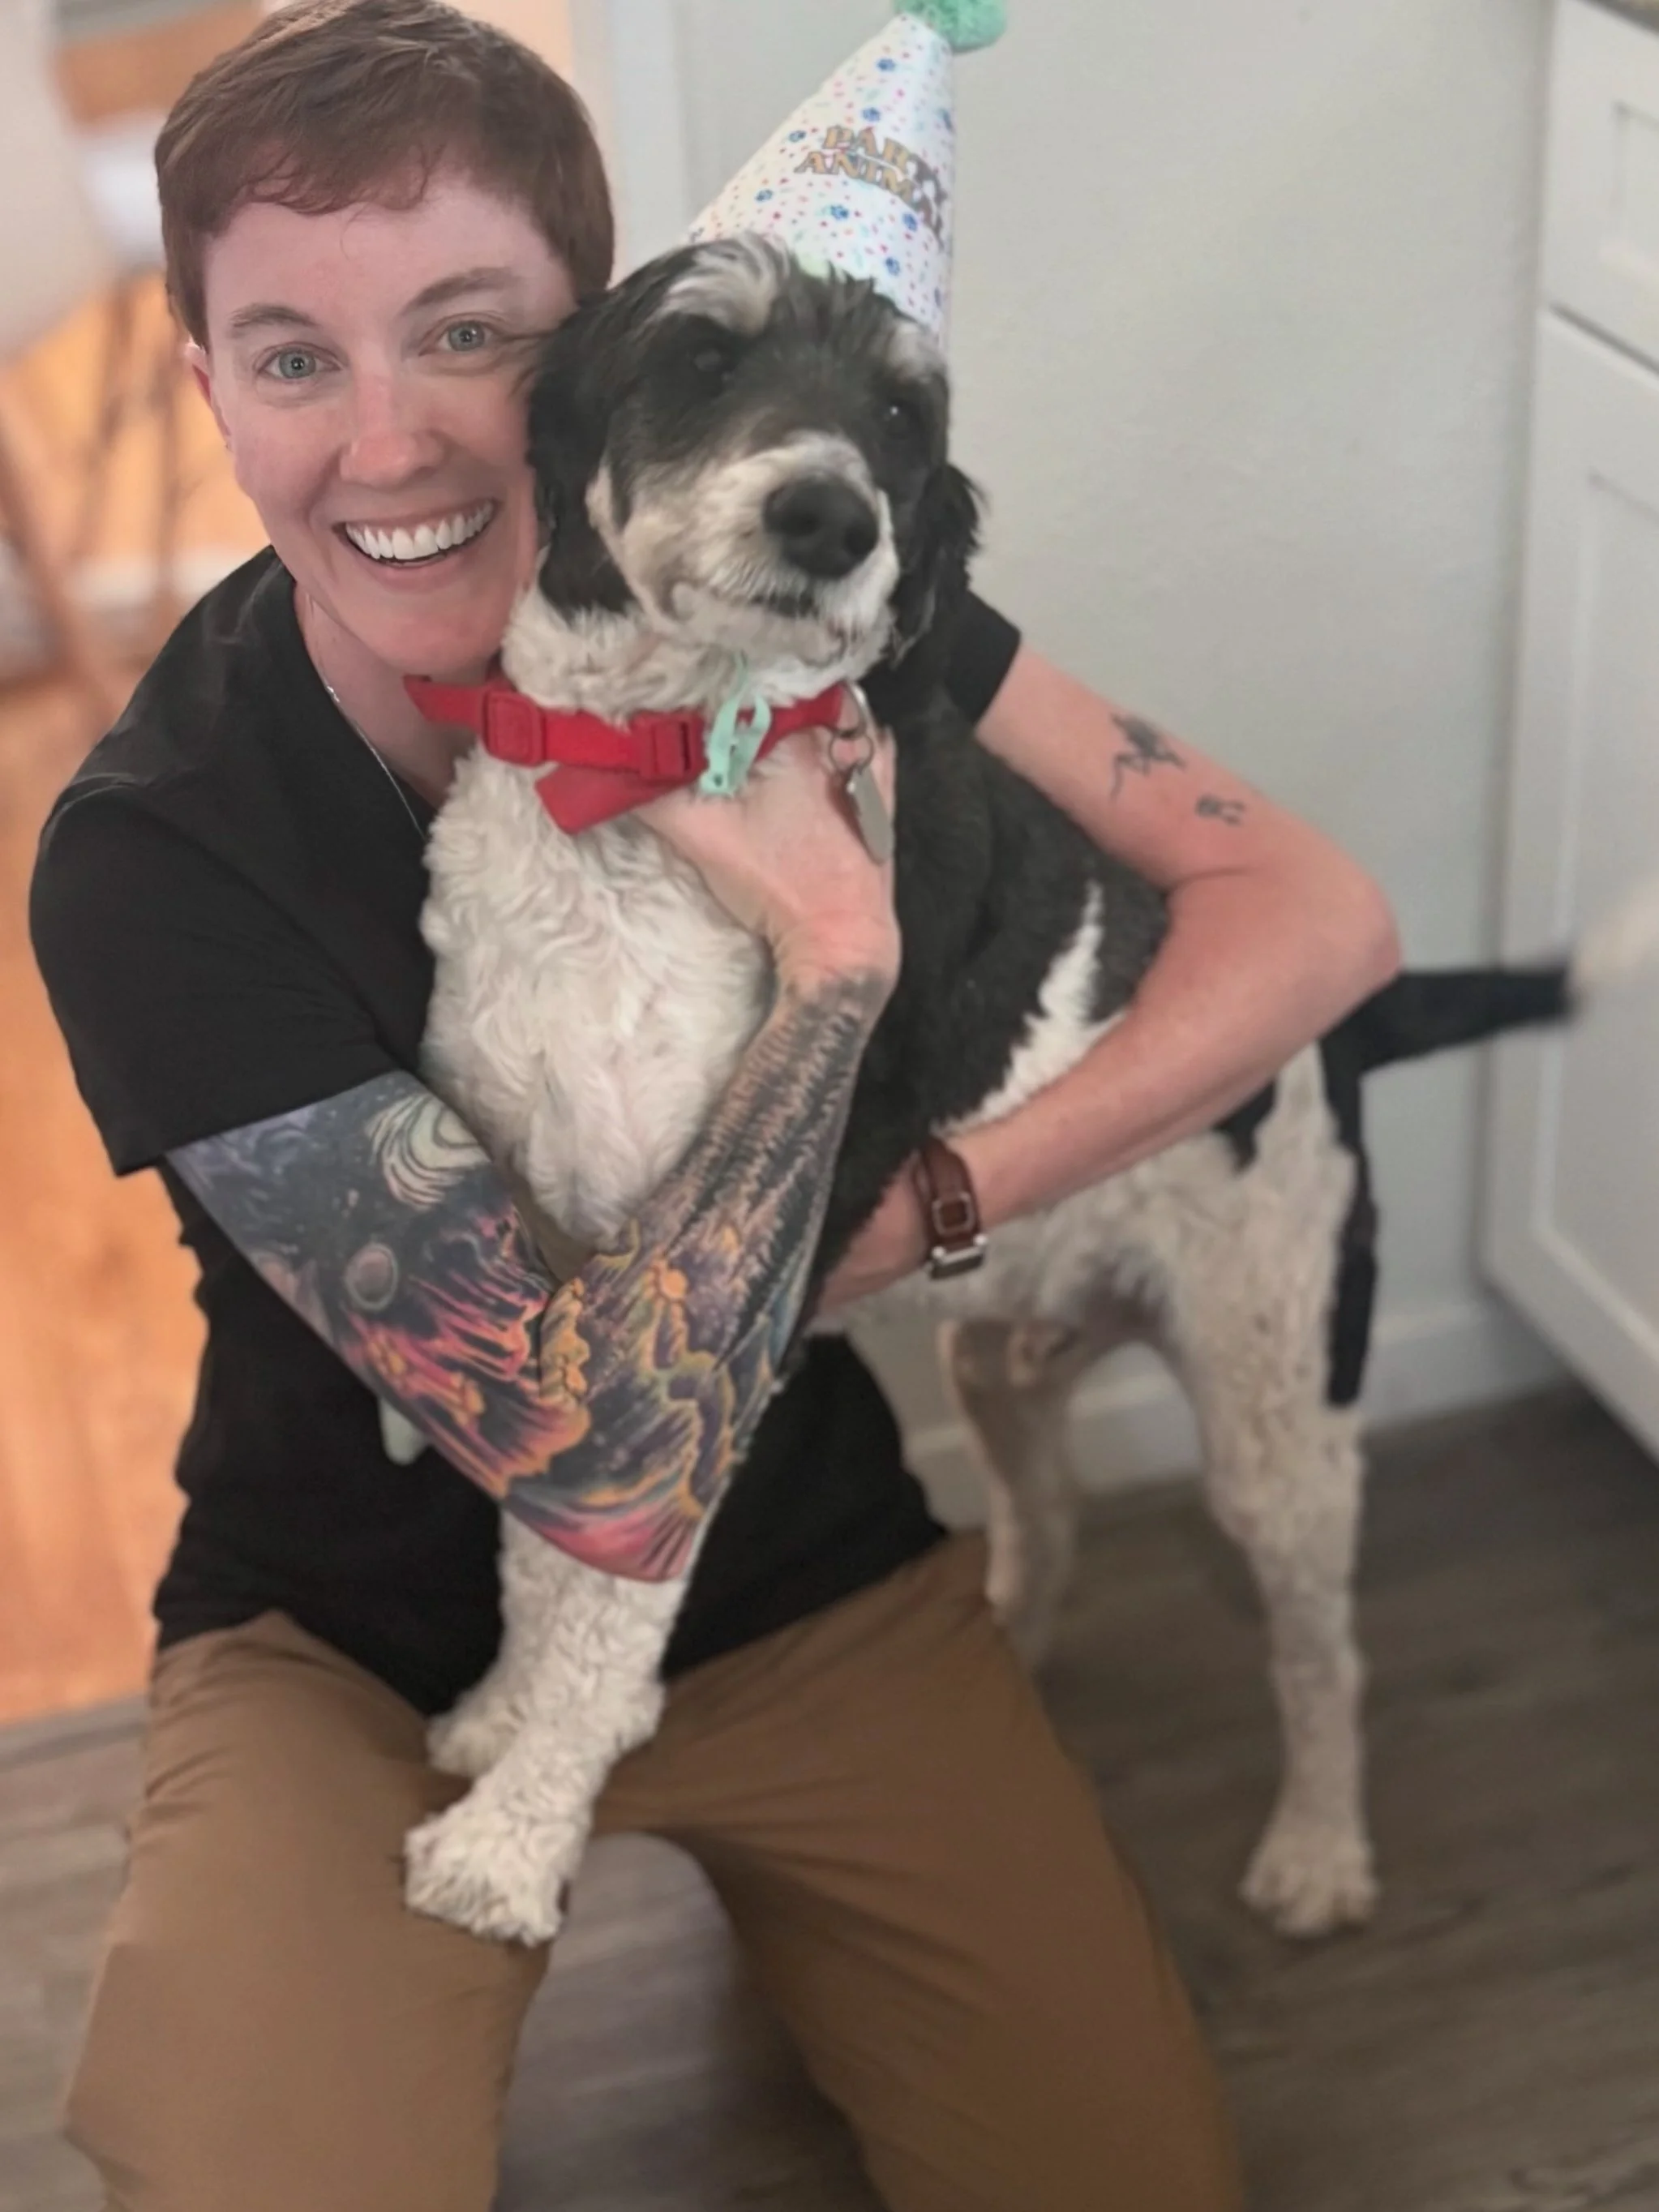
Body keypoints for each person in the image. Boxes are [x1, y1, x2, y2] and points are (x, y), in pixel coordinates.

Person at [28, 2, 1400, 2207]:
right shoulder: (154, 857)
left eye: (463, 334)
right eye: (293, 357)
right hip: (345, 1634)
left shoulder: (819, 596)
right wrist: (839, 968)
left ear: (599, 349)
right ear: (210, 389)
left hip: (800, 1573)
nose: (387, 441)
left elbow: (1316, 918)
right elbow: (586, 1445)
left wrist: (943, 1192)